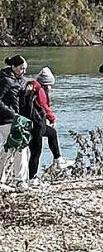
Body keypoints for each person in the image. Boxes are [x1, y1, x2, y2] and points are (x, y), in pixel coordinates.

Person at [27, 67, 65, 179]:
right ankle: (32, 177)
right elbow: (44, 106)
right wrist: (52, 118)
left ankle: (58, 158)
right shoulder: (40, 91)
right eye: (50, 85)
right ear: (46, 83)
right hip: (37, 124)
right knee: (36, 152)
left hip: (30, 124)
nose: (51, 88)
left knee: (51, 133)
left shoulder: (30, 88)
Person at [0, 55, 30, 190]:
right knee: (20, 146)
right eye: (21, 68)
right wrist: (13, 114)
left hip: (14, 120)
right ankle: (20, 180)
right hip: (7, 120)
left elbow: (20, 92)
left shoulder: (17, 79)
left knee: (10, 148)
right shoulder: (6, 80)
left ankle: (6, 179)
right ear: (13, 67)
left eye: (25, 69)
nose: (23, 71)